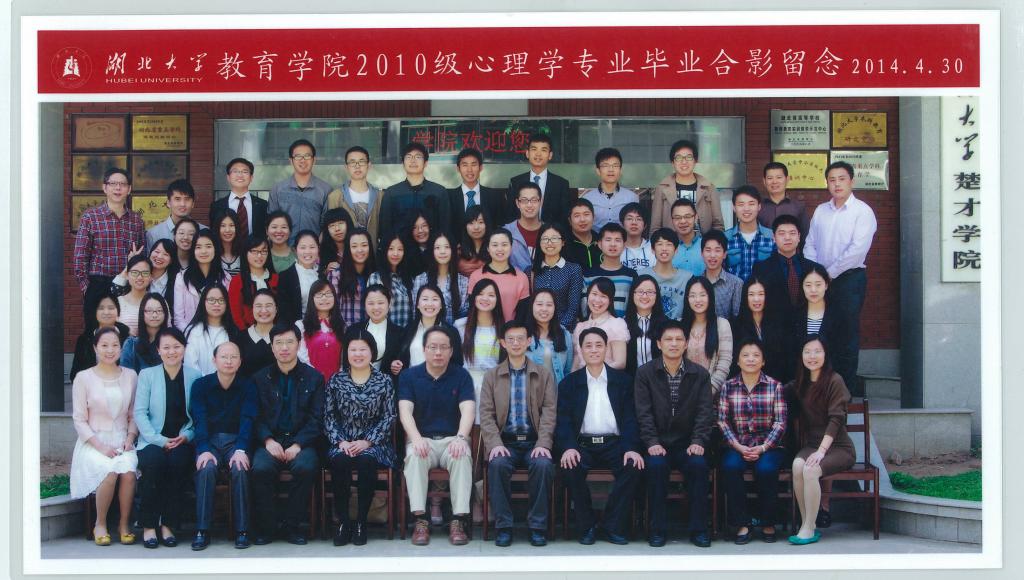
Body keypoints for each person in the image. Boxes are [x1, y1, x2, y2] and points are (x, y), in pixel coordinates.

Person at [556, 327, 644, 545]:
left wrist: (631, 447)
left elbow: (631, 418)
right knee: (570, 466)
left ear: (606, 349)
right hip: (582, 445)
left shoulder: (623, 381)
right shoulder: (569, 383)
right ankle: (587, 526)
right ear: (580, 350)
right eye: (588, 346)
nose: (594, 350)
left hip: (614, 444)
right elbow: (563, 421)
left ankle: (612, 525)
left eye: (599, 345)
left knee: (633, 465)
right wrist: (569, 447)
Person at [633, 320, 714, 548]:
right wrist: (651, 442)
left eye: (679, 339)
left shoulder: (700, 374)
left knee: (698, 466)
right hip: (657, 443)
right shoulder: (645, 373)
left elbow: (705, 412)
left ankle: (699, 530)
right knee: (656, 467)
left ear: (686, 344)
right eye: (668, 339)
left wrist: (698, 441)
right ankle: (657, 529)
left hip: (688, 443)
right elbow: (643, 413)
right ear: (659, 344)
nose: (674, 344)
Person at [480, 321, 557, 547]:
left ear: (529, 341)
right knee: (497, 464)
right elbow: (486, 414)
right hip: (505, 443)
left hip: (534, 442)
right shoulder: (492, 376)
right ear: (503, 343)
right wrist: (495, 444)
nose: (516, 343)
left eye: (521, 338)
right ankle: (503, 526)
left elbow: (549, 412)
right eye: (510, 339)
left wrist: (543, 443)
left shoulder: (543, 374)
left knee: (543, 465)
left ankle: (537, 527)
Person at [398, 326, 476, 546]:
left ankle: (458, 520)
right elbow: (405, 411)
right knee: (415, 456)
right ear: (424, 349)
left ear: (451, 351)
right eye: (433, 347)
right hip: (423, 439)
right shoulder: (409, 376)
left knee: (462, 456)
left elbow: (468, 409)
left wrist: (461, 438)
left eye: (443, 347)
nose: (438, 352)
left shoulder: (461, 375)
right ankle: (420, 520)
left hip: (452, 439)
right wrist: (416, 438)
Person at [803, 161, 877, 393]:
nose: (837, 184)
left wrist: (828, 274)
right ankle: (820, 389)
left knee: (845, 335)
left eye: (842, 179)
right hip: (819, 282)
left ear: (851, 181)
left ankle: (844, 393)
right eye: (832, 180)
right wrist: (816, 273)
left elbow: (857, 250)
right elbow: (810, 243)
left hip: (849, 280)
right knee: (820, 332)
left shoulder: (862, 212)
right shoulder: (821, 211)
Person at [251, 324, 325, 546]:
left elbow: (317, 418)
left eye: (290, 342)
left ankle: (292, 526)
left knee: (305, 467)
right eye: (279, 343)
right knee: (260, 468)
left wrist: (298, 444)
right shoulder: (260, 378)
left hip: (302, 441)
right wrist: (267, 440)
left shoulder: (314, 377)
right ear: (272, 347)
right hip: (270, 440)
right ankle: (269, 527)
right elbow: (255, 416)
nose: (284, 348)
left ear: (299, 344)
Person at [324, 329, 397, 546]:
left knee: (367, 460)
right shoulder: (336, 380)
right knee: (339, 461)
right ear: (346, 352)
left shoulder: (384, 381)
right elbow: (328, 416)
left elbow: (389, 416)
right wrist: (341, 442)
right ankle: (344, 522)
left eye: (363, 349)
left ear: (372, 352)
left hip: (374, 443)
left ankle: (361, 522)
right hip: (343, 442)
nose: (358, 354)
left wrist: (367, 441)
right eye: (353, 349)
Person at [69, 326, 139, 546]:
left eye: (115, 345)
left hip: (122, 440)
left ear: (121, 348)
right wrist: (100, 446)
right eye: (104, 345)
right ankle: (100, 523)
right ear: (95, 348)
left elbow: (133, 414)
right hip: (93, 442)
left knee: (128, 472)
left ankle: (124, 525)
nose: (110, 350)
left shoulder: (130, 376)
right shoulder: (83, 378)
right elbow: (79, 420)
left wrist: (130, 438)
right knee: (109, 471)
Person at [134, 328, 201, 549]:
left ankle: (168, 525)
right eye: (166, 347)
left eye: (176, 347)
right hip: (152, 440)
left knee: (178, 464)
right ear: (158, 350)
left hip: (182, 439)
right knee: (154, 464)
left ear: (184, 348)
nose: (172, 351)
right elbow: (140, 413)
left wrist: (187, 435)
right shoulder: (147, 375)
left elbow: (198, 416)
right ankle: (148, 525)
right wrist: (159, 440)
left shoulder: (194, 376)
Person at [717, 338, 788, 544]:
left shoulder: (775, 386)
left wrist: (763, 447)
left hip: (769, 446)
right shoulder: (728, 387)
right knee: (730, 466)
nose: (750, 359)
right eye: (745, 355)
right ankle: (742, 523)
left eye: (756, 355)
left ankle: (768, 522)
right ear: (738, 361)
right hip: (737, 445)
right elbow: (722, 421)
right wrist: (738, 446)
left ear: (763, 361)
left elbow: (780, 422)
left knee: (766, 469)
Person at [189, 340, 258, 551]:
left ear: (240, 361)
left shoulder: (248, 385)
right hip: (209, 441)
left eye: (233, 357)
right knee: (206, 468)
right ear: (214, 360)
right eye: (224, 357)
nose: (229, 361)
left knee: (240, 467)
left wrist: (241, 449)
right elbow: (199, 419)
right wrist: (203, 449)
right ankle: (202, 530)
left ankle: (242, 530)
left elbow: (248, 419)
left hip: (236, 441)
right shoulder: (200, 385)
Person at [788, 336, 856, 545]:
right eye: (807, 352)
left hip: (838, 447)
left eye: (817, 351)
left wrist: (821, 451)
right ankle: (806, 523)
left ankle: (809, 527)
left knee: (810, 470)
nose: (812, 356)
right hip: (813, 445)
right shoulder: (801, 383)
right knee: (797, 465)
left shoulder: (835, 381)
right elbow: (779, 392)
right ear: (801, 356)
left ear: (825, 355)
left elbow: (836, 419)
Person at [73, 167, 146, 319]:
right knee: (96, 331)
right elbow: (80, 257)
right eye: (113, 183)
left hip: (127, 286)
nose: (118, 188)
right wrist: (87, 289)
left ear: (129, 189)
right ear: (105, 188)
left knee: (126, 329)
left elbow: (142, 255)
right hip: (98, 285)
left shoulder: (136, 220)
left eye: (123, 184)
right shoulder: (90, 217)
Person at [750, 214, 822, 327]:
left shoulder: (814, 269)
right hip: (774, 331)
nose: (787, 237)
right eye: (782, 233)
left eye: (792, 233)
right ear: (774, 237)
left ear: (799, 236)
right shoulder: (761, 269)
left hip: (807, 330)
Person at [379, 142, 451, 243]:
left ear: (426, 163)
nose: (413, 160)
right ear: (403, 163)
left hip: (431, 250)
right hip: (400, 251)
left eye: (418, 157)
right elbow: (385, 230)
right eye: (408, 157)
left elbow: (445, 228)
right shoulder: (391, 193)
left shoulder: (439, 192)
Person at [455, 279, 505, 423]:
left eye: (491, 295)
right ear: (474, 297)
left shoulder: (503, 329)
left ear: (497, 300)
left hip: (493, 387)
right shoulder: (460, 326)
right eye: (481, 294)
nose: (485, 298)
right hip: (465, 386)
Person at [650, 139, 723, 235]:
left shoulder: (709, 188)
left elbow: (718, 225)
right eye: (678, 158)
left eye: (689, 157)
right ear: (672, 162)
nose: (684, 161)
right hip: (671, 244)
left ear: (695, 161)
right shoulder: (662, 189)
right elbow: (655, 228)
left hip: (702, 243)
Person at [268, 139, 332, 245]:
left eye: (307, 156)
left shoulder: (325, 190)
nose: (302, 160)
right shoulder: (278, 189)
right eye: (298, 156)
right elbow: (271, 222)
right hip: (284, 249)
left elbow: (327, 225)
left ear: (314, 160)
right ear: (291, 160)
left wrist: (316, 247)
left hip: (313, 250)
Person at [794, 265, 850, 384]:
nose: (813, 290)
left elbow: (844, 351)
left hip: (830, 379)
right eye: (808, 285)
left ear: (826, 285)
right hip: (801, 379)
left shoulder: (839, 314)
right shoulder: (795, 315)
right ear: (802, 287)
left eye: (818, 284)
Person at [733, 275, 794, 384]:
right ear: (745, 297)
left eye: (761, 294)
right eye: (751, 294)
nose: (756, 299)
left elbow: (786, 360)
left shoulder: (779, 323)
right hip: (745, 384)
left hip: (776, 384)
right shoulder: (736, 325)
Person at [681, 277, 734, 395]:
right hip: (684, 395)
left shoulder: (722, 325)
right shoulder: (680, 325)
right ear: (687, 298)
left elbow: (724, 362)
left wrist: (708, 392)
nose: (697, 300)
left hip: (711, 395)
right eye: (692, 295)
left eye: (702, 295)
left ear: (710, 297)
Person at [506, 133, 572, 226]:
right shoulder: (515, 182)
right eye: (534, 149)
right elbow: (510, 215)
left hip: (551, 233)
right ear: (527, 153)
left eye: (543, 150)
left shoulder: (561, 184)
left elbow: (564, 218)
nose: (538, 154)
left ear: (550, 155)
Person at [467, 229, 531, 323]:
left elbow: (523, 313)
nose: (500, 249)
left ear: (511, 247)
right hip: (483, 329)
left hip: (510, 330)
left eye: (504, 245)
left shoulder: (521, 278)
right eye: (495, 245)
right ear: (488, 248)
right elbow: (472, 310)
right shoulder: (476, 276)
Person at [172, 230, 231, 330]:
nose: (203, 251)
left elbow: (227, 314)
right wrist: (191, 335)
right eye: (198, 247)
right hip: (189, 334)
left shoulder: (226, 278)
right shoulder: (181, 278)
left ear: (215, 249)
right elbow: (179, 318)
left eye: (208, 246)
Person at [532, 223, 584, 331]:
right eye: (545, 239)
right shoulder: (532, 271)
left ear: (563, 242)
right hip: (537, 331)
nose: (549, 242)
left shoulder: (573, 269)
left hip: (564, 330)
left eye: (554, 238)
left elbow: (573, 308)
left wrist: (559, 330)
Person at [395, 285, 458, 374]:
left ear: (441, 305)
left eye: (435, 299)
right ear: (418, 305)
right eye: (425, 299)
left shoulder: (451, 332)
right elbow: (400, 360)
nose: (430, 304)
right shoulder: (408, 329)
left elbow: (457, 363)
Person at [70, 294, 131, 382]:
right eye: (101, 308)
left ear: (118, 311)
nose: (106, 312)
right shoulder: (84, 340)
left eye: (111, 308)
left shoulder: (128, 339)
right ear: (95, 312)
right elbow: (75, 374)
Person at [327, 146, 383, 242]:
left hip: (373, 250)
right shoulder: (335, 197)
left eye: (361, 161)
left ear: (369, 165)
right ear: (346, 167)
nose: (357, 166)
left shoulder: (380, 196)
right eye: (352, 162)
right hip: (345, 250)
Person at [571, 277, 629, 371]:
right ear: (588, 295)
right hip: (582, 379)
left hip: (608, 378)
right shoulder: (580, 327)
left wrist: (595, 374)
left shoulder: (616, 324)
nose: (597, 300)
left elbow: (620, 363)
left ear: (610, 300)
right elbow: (577, 361)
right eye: (594, 294)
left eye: (603, 296)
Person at [582, 223, 637, 318]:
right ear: (600, 244)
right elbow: (584, 308)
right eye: (608, 240)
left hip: (623, 325)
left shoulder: (631, 275)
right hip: (594, 325)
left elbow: (634, 307)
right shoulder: (588, 275)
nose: (613, 244)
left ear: (624, 245)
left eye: (617, 240)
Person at [412, 232, 469, 325]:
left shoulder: (463, 281)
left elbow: (464, 315)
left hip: (454, 332)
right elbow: (416, 313)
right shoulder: (420, 280)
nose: (442, 251)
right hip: (426, 332)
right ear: (432, 251)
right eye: (437, 248)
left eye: (447, 247)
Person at [296, 280, 346, 381]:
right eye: (319, 294)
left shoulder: (342, 326)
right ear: (312, 298)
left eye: (328, 294)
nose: (324, 298)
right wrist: (316, 379)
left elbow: (343, 358)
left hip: (336, 382)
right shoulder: (301, 326)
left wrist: (338, 379)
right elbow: (302, 357)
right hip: (310, 381)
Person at [638, 228, 693, 319]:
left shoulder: (687, 278)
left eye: (669, 244)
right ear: (652, 249)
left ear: (676, 250)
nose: (664, 249)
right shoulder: (641, 276)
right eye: (660, 244)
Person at [184, 284, 238, 376]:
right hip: (199, 382)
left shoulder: (233, 331)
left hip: (227, 382)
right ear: (203, 302)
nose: (216, 304)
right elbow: (190, 365)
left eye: (221, 300)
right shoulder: (193, 331)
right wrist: (208, 382)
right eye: (211, 300)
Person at [724, 185, 776, 282]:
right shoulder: (725, 238)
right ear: (734, 207)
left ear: (759, 206)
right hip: (734, 291)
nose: (746, 209)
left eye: (751, 204)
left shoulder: (772, 237)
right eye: (741, 204)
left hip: (764, 291)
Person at [523, 289, 575, 385]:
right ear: (532, 306)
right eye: (539, 304)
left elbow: (568, 370)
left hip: (558, 392)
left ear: (555, 308)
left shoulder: (564, 335)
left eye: (549, 305)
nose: (544, 309)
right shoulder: (523, 335)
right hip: (531, 393)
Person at [211, 157, 269, 242]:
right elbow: (214, 234)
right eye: (235, 171)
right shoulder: (217, 206)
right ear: (228, 177)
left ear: (251, 177)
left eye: (245, 172)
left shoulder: (262, 205)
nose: (240, 175)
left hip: (254, 250)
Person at [449, 147, 506, 232]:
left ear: (481, 167)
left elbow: (500, 226)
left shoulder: (495, 197)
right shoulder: (449, 198)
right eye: (465, 165)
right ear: (458, 169)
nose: (469, 170)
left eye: (473, 164)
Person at [228, 236, 279, 329]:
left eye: (263, 251)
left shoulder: (277, 279)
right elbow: (236, 316)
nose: (259, 256)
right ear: (245, 253)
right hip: (247, 333)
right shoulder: (237, 281)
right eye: (254, 251)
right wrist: (247, 334)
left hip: (276, 332)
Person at [581, 148, 638, 230]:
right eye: (605, 165)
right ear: (598, 171)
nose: (611, 170)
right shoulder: (587, 199)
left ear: (620, 170)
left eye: (615, 165)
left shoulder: (632, 198)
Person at [110, 239, 178, 308]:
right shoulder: (137, 274)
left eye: (166, 254)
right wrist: (131, 264)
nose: (159, 256)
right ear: (150, 253)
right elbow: (114, 291)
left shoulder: (176, 281)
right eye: (157, 252)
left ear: (171, 260)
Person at [329, 228, 375, 327]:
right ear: (348, 249)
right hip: (346, 331)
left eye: (364, 245)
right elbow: (333, 310)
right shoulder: (336, 275)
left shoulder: (376, 276)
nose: (360, 250)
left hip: (372, 331)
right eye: (354, 246)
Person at [354, 284, 404, 373]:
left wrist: (397, 366)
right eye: (371, 303)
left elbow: (403, 363)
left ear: (389, 304)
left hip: (387, 380)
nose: (376, 307)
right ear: (364, 305)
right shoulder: (354, 330)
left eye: (380, 303)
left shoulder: (400, 333)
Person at [275, 230, 322, 326]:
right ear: (295, 250)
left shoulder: (323, 274)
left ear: (318, 249)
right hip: (296, 328)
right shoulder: (286, 276)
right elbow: (284, 311)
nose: (307, 251)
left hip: (322, 327)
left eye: (312, 247)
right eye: (303, 247)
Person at [624, 275, 668, 374]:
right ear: (632, 294)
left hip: (660, 380)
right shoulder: (623, 324)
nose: (644, 296)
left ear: (657, 295)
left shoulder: (666, 324)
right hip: (631, 381)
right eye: (640, 292)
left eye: (650, 292)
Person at [367, 232, 414, 327]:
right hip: (385, 333)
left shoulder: (408, 278)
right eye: (391, 249)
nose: (395, 253)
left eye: (400, 249)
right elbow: (374, 311)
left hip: (407, 333)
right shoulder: (376, 278)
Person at [145, 179, 205, 250]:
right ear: (168, 203)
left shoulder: (203, 231)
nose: (182, 204)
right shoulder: (153, 234)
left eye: (187, 199)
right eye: (177, 199)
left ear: (193, 203)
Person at [120, 293, 171, 373]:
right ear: (142, 313)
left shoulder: (171, 343)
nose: (154, 315)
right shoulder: (131, 344)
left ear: (165, 313)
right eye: (149, 311)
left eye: (159, 310)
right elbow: (125, 374)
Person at [758, 161, 810, 236]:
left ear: (787, 179)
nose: (774, 181)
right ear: (764, 181)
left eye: (779, 177)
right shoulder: (758, 207)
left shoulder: (798, 206)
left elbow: (805, 235)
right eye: (770, 178)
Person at [701, 229, 743, 320]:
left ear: (724, 254)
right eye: (708, 250)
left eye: (717, 250)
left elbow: (738, 319)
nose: (712, 255)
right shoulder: (696, 283)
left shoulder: (736, 284)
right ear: (702, 254)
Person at [238, 289, 279, 378]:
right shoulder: (239, 338)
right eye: (259, 306)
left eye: (268, 306)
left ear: (276, 309)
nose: (264, 310)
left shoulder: (283, 336)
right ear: (252, 309)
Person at [505, 182, 544, 272]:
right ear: (517, 203)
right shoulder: (506, 232)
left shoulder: (550, 232)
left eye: (534, 200)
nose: (529, 205)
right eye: (524, 200)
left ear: (541, 202)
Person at [117, 255, 153, 336]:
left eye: (145, 273)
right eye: (134, 273)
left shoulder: (158, 301)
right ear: (127, 275)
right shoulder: (117, 302)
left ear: (151, 276)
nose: (140, 277)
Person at [670, 199, 706, 276]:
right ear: (672, 220)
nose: (683, 221)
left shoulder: (706, 245)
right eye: (677, 218)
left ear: (696, 217)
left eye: (687, 216)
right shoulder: (666, 248)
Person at [563, 198, 601, 270]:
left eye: (586, 214)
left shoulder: (601, 241)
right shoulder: (563, 244)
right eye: (577, 216)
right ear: (570, 221)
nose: (582, 219)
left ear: (593, 217)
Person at [318, 207, 353, 277]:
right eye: (332, 225)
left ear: (348, 224)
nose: (337, 229)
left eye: (341, 223)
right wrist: (326, 271)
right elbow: (319, 275)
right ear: (327, 230)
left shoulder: (356, 247)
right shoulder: (322, 251)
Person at [456, 206, 491, 277]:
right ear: (465, 226)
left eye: (480, 222)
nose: (476, 227)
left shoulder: (494, 248)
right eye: (471, 223)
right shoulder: (458, 250)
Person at [619, 203, 652, 271]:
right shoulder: (615, 248)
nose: (634, 222)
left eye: (639, 219)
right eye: (629, 218)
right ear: (622, 224)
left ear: (645, 225)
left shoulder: (653, 247)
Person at [213, 209, 244, 278]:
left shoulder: (244, 254)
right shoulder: (212, 254)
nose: (227, 230)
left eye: (231, 225)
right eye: (223, 226)